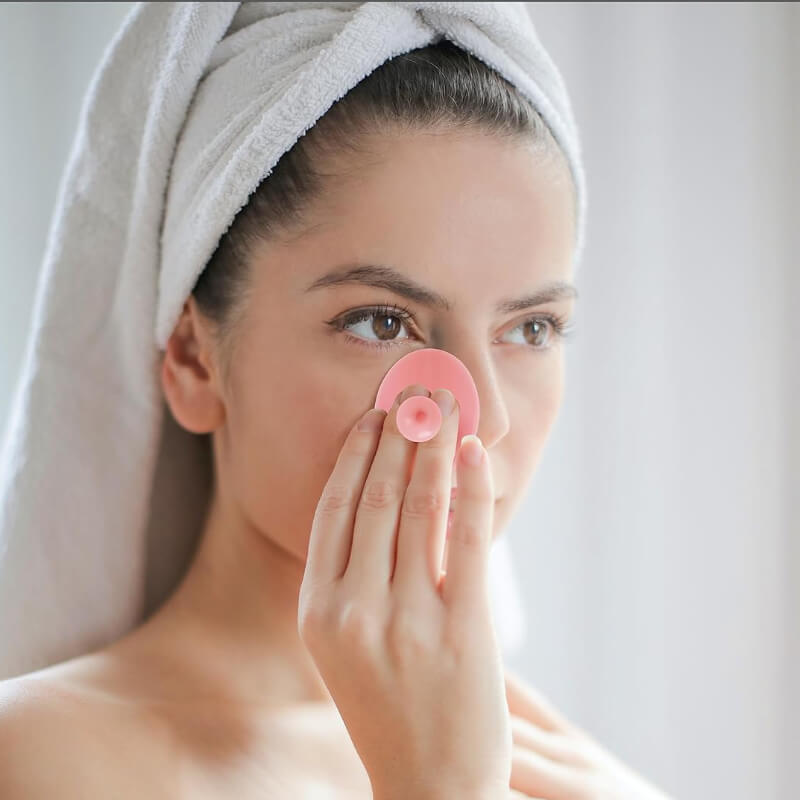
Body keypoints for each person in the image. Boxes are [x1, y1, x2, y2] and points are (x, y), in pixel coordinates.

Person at [0, 6, 672, 799]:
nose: (483, 419)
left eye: (532, 329)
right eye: (382, 322)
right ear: (193, 359)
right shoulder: (43, 756)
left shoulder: (554, 766)